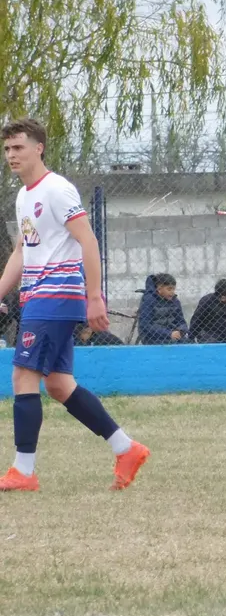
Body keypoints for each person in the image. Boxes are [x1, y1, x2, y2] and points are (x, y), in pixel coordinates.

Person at [0, 118, 149, 491]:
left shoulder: (57, 190)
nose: (11, 155)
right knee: (60, 385)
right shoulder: (24, 196)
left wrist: (94, 296)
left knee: (23, 376)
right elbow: (23, 249)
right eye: (6, 149)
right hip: (39, 296)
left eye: (18, 147)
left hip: (56, 294)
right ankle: (126, 448)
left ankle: (24, 471)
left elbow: (88, 240)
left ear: (39, 148)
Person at [189, 278, 226, 343]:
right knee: (210, 341)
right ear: (223, 297)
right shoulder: (207, 301)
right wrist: (191, 337)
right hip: (210, 331)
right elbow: (196, 320)